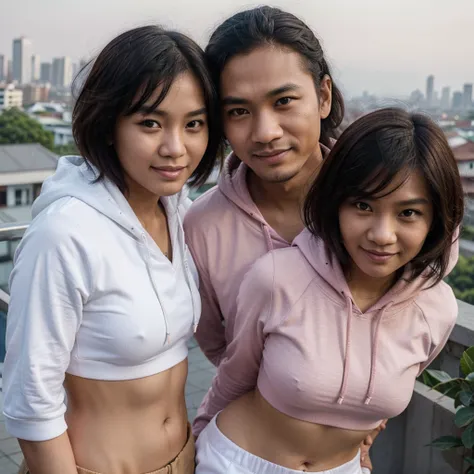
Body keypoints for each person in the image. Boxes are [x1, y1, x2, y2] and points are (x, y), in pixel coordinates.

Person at [193, 107, 464, 474]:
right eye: (363, 205)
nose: (382, 235)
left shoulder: (437, 310)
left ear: (436, 219)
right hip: (236, 462)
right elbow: (234, 376)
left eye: (408, 213)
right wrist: (194, 442)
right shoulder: (276, 278)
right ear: (336, 204)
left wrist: (365, 439)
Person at [3, 25, 222, 474]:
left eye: (194, 124)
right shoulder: (64, 233)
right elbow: (30, 398)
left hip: (183, 459)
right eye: (150, 123)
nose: (175, 148)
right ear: (107, 126)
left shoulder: (175, 209)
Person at [183, 6, 386, 469]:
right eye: (239, 111)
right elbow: (220, 346)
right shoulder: (203, 227)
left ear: (324, 96)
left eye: (284, 101)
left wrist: (364, 414)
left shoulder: (380, 205)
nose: (265, 132)